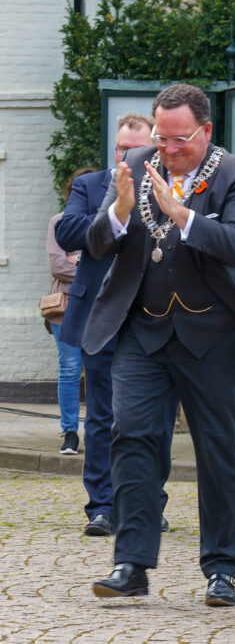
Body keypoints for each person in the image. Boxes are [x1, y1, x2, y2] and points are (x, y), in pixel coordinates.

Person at [83, 84, 235, 606]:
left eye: (179, 139)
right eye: (161, 137)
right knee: (129, 436)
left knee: (216, 450)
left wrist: (180, 212)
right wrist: (120, 211)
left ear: (206, 131)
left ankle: (221, 569)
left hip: (211, 335)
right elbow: (95, 242)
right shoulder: (136, 160)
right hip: (143, 330)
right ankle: (131, 563)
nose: (168, 149)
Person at [55, 115, 178, 538]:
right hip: (101, 318)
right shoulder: (90, 186)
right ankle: (103, 506)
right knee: (104, 416)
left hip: (152, 317)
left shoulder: (170, 189)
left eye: (136, 148)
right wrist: (115, 209)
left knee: (155, 420)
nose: (127, 155)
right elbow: (69, 231)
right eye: (121, 148)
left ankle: (148, 502)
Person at [46, 169, 92, 454]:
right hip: (65, 307)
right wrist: (90, 267)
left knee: (104, 370)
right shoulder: (58, 222)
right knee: (70, 369)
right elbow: (57, 266)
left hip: (100, 308)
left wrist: (77, 261)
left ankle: (102, 430)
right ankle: (70, 433)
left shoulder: (106, 222)